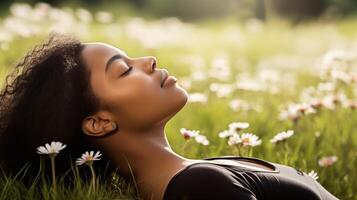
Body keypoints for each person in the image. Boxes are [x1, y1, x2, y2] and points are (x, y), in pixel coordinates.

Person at [0, 32, 339, 200]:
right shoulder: (197, 187)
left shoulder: (199, 172)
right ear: (100, 123)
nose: (147, 60)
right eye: (123, 70)